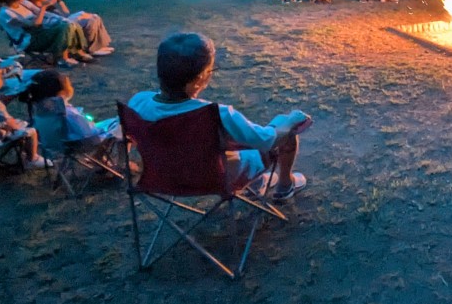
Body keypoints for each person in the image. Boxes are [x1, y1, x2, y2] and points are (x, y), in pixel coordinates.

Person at [127, 33, 313, 201]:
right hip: (217, 178)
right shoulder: (217, 115)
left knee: (232, 144)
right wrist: (291, 120)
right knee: (285, 130)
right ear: (200, 78)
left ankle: (257, 184)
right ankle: (284, 186)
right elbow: (267, 140)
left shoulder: (138, 103)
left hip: (163, 177)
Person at [27, 69, 120, 160]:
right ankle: (121, 163)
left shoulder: (40, 108)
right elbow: (87, 131)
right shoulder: (67, 113)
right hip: (78, 143)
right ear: (62, 91)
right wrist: (100, 129)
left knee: (109, 124)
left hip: (51, 143)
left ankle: (99, 157)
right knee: (120, 124)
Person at [0, 0, 92, 68]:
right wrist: (43, 7)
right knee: (65, 28)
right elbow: (34, 25)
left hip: (39, 32)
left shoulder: (24, 3)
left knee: (70, 24)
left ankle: (78, 51)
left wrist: (62, 19)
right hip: (29, 40)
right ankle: (61, 58)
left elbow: (44, 14)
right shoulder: (6, 13)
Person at [24, 0, 114, 56]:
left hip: (63, 20)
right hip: (57, 25)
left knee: (94, 17)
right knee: (88, 17)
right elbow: (42, 22)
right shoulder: (33, 8)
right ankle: (92, 49)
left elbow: (66, 13)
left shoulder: (47, 3)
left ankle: (98, 46)